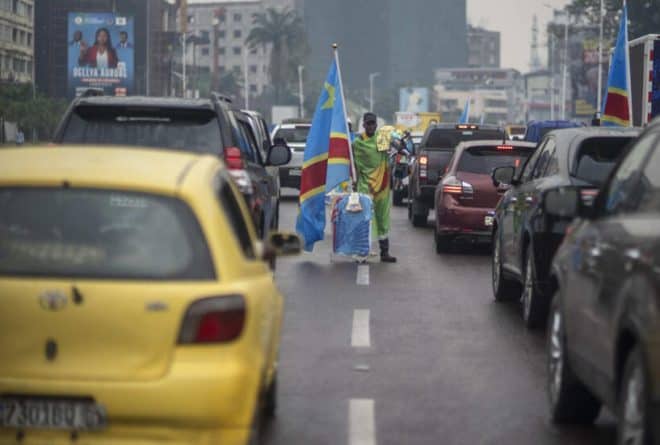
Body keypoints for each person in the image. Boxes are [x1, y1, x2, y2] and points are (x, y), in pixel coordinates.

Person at [352, 112, 397, 263]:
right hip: (365, 187)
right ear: (363, 125)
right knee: (364, 220)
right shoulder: (357, 143)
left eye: (373, 123)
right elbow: (352, 165)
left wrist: (398, 144)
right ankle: (362, 252)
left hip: (382, 187)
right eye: (368, 123)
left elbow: (395, 147)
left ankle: (385, 252)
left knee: (383, 219)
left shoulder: (381, 139)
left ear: (376, 125)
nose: (371, 126)